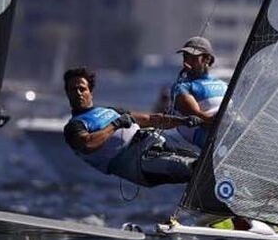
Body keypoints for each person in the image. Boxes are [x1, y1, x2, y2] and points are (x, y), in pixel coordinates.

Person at [63, 67, 202, 186]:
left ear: (90, 92)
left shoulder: (110, 110)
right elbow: (88, 144)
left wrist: (184, 120)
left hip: (153, 145)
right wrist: (115, 124)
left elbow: (150, 119)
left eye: (82, 89)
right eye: (73, 90)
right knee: (191, 167)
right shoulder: (75, 125)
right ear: (68, 93)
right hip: (138, 163)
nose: (78, 93)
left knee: (200, 160)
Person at [165, 36, 227, 149]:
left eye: (193, 58)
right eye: (185, 57)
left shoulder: (224, 85)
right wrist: (226, 123)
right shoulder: (182, 87)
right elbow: (197, 116)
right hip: (205, 138)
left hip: (226, 132)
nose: (186, 63)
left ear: (207, 59)